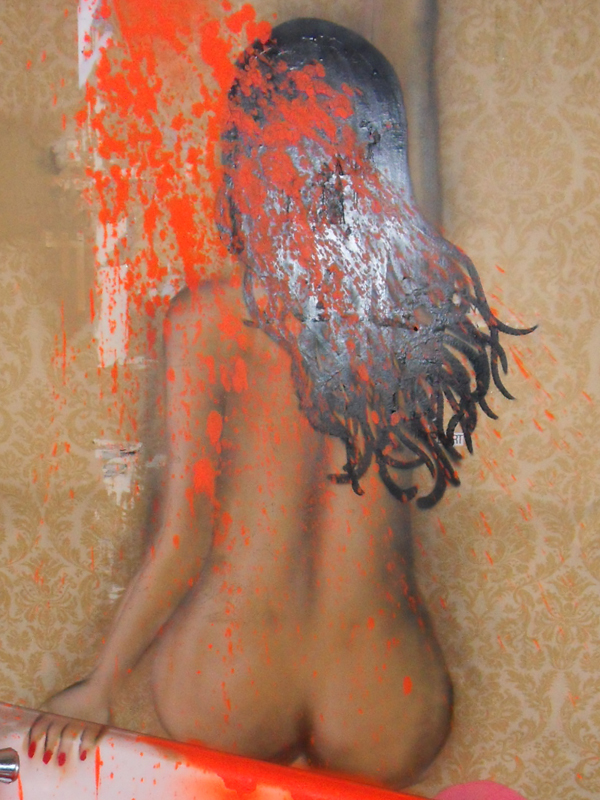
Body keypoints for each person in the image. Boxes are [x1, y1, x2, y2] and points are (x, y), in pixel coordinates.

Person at [29, 7, 529, 788]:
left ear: (246, 150)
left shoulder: (209, 320)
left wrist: (101, 680)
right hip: (382, 679)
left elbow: (182, 534)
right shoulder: (412, 310)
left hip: (232, 666)